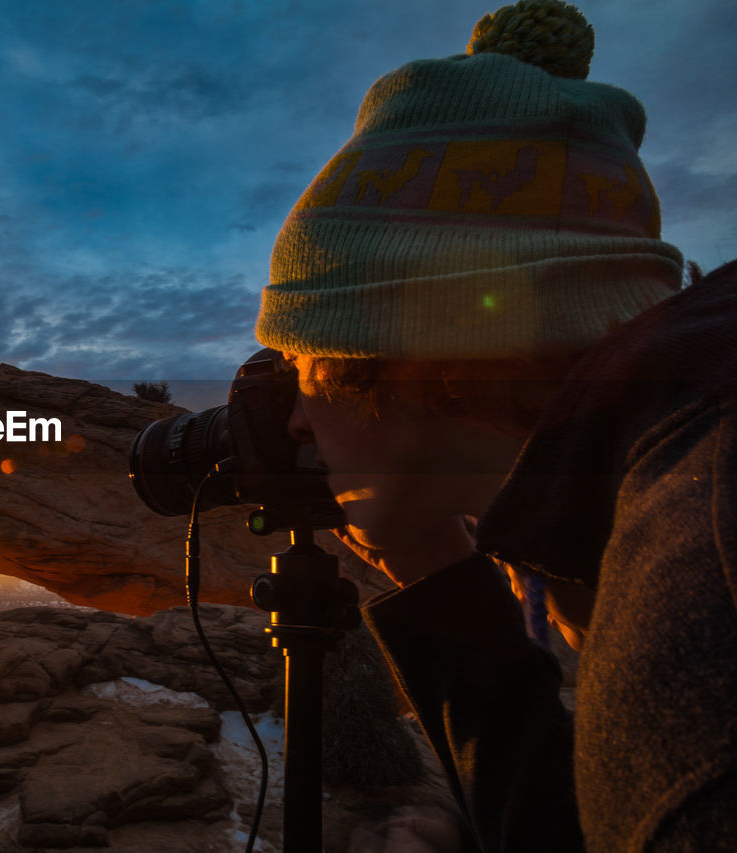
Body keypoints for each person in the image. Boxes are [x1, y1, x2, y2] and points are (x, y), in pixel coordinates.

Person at [253, 1, 737, 850]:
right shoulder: (667, 488)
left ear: (401, 350)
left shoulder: (700, 631)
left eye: (298, 363)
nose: (293, 419)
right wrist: (435, 567)